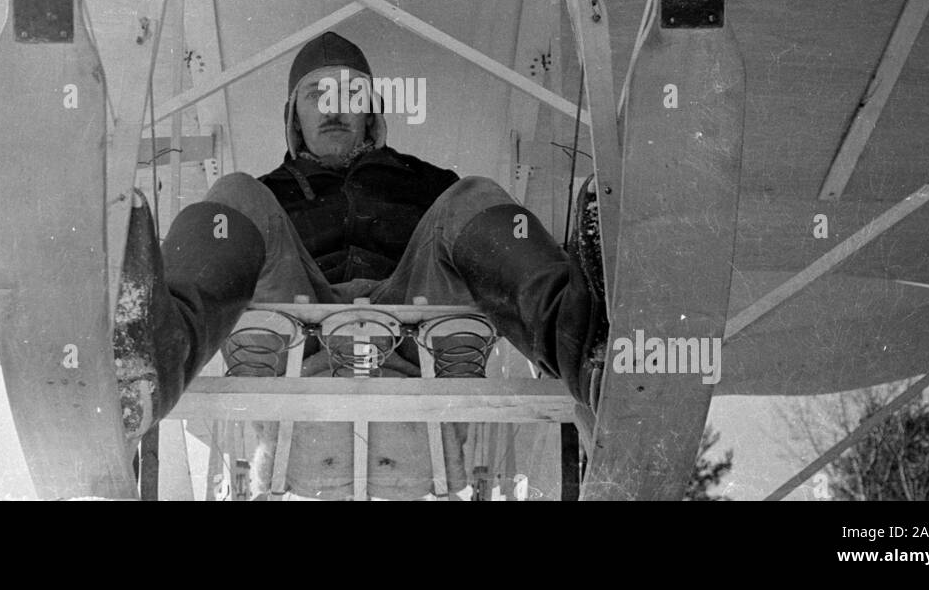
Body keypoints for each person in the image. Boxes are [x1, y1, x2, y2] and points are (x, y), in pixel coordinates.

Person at [115, 31, 606, 498]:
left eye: (351, 93)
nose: (332, 107)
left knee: (474, 194)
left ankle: (587, 349)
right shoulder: (265, 196)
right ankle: (148, 365)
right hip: (296, 355)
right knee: (235, 193)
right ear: (293, 116)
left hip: (419, 355)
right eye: (315, 94)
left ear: (372, 111)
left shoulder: (430, 183)